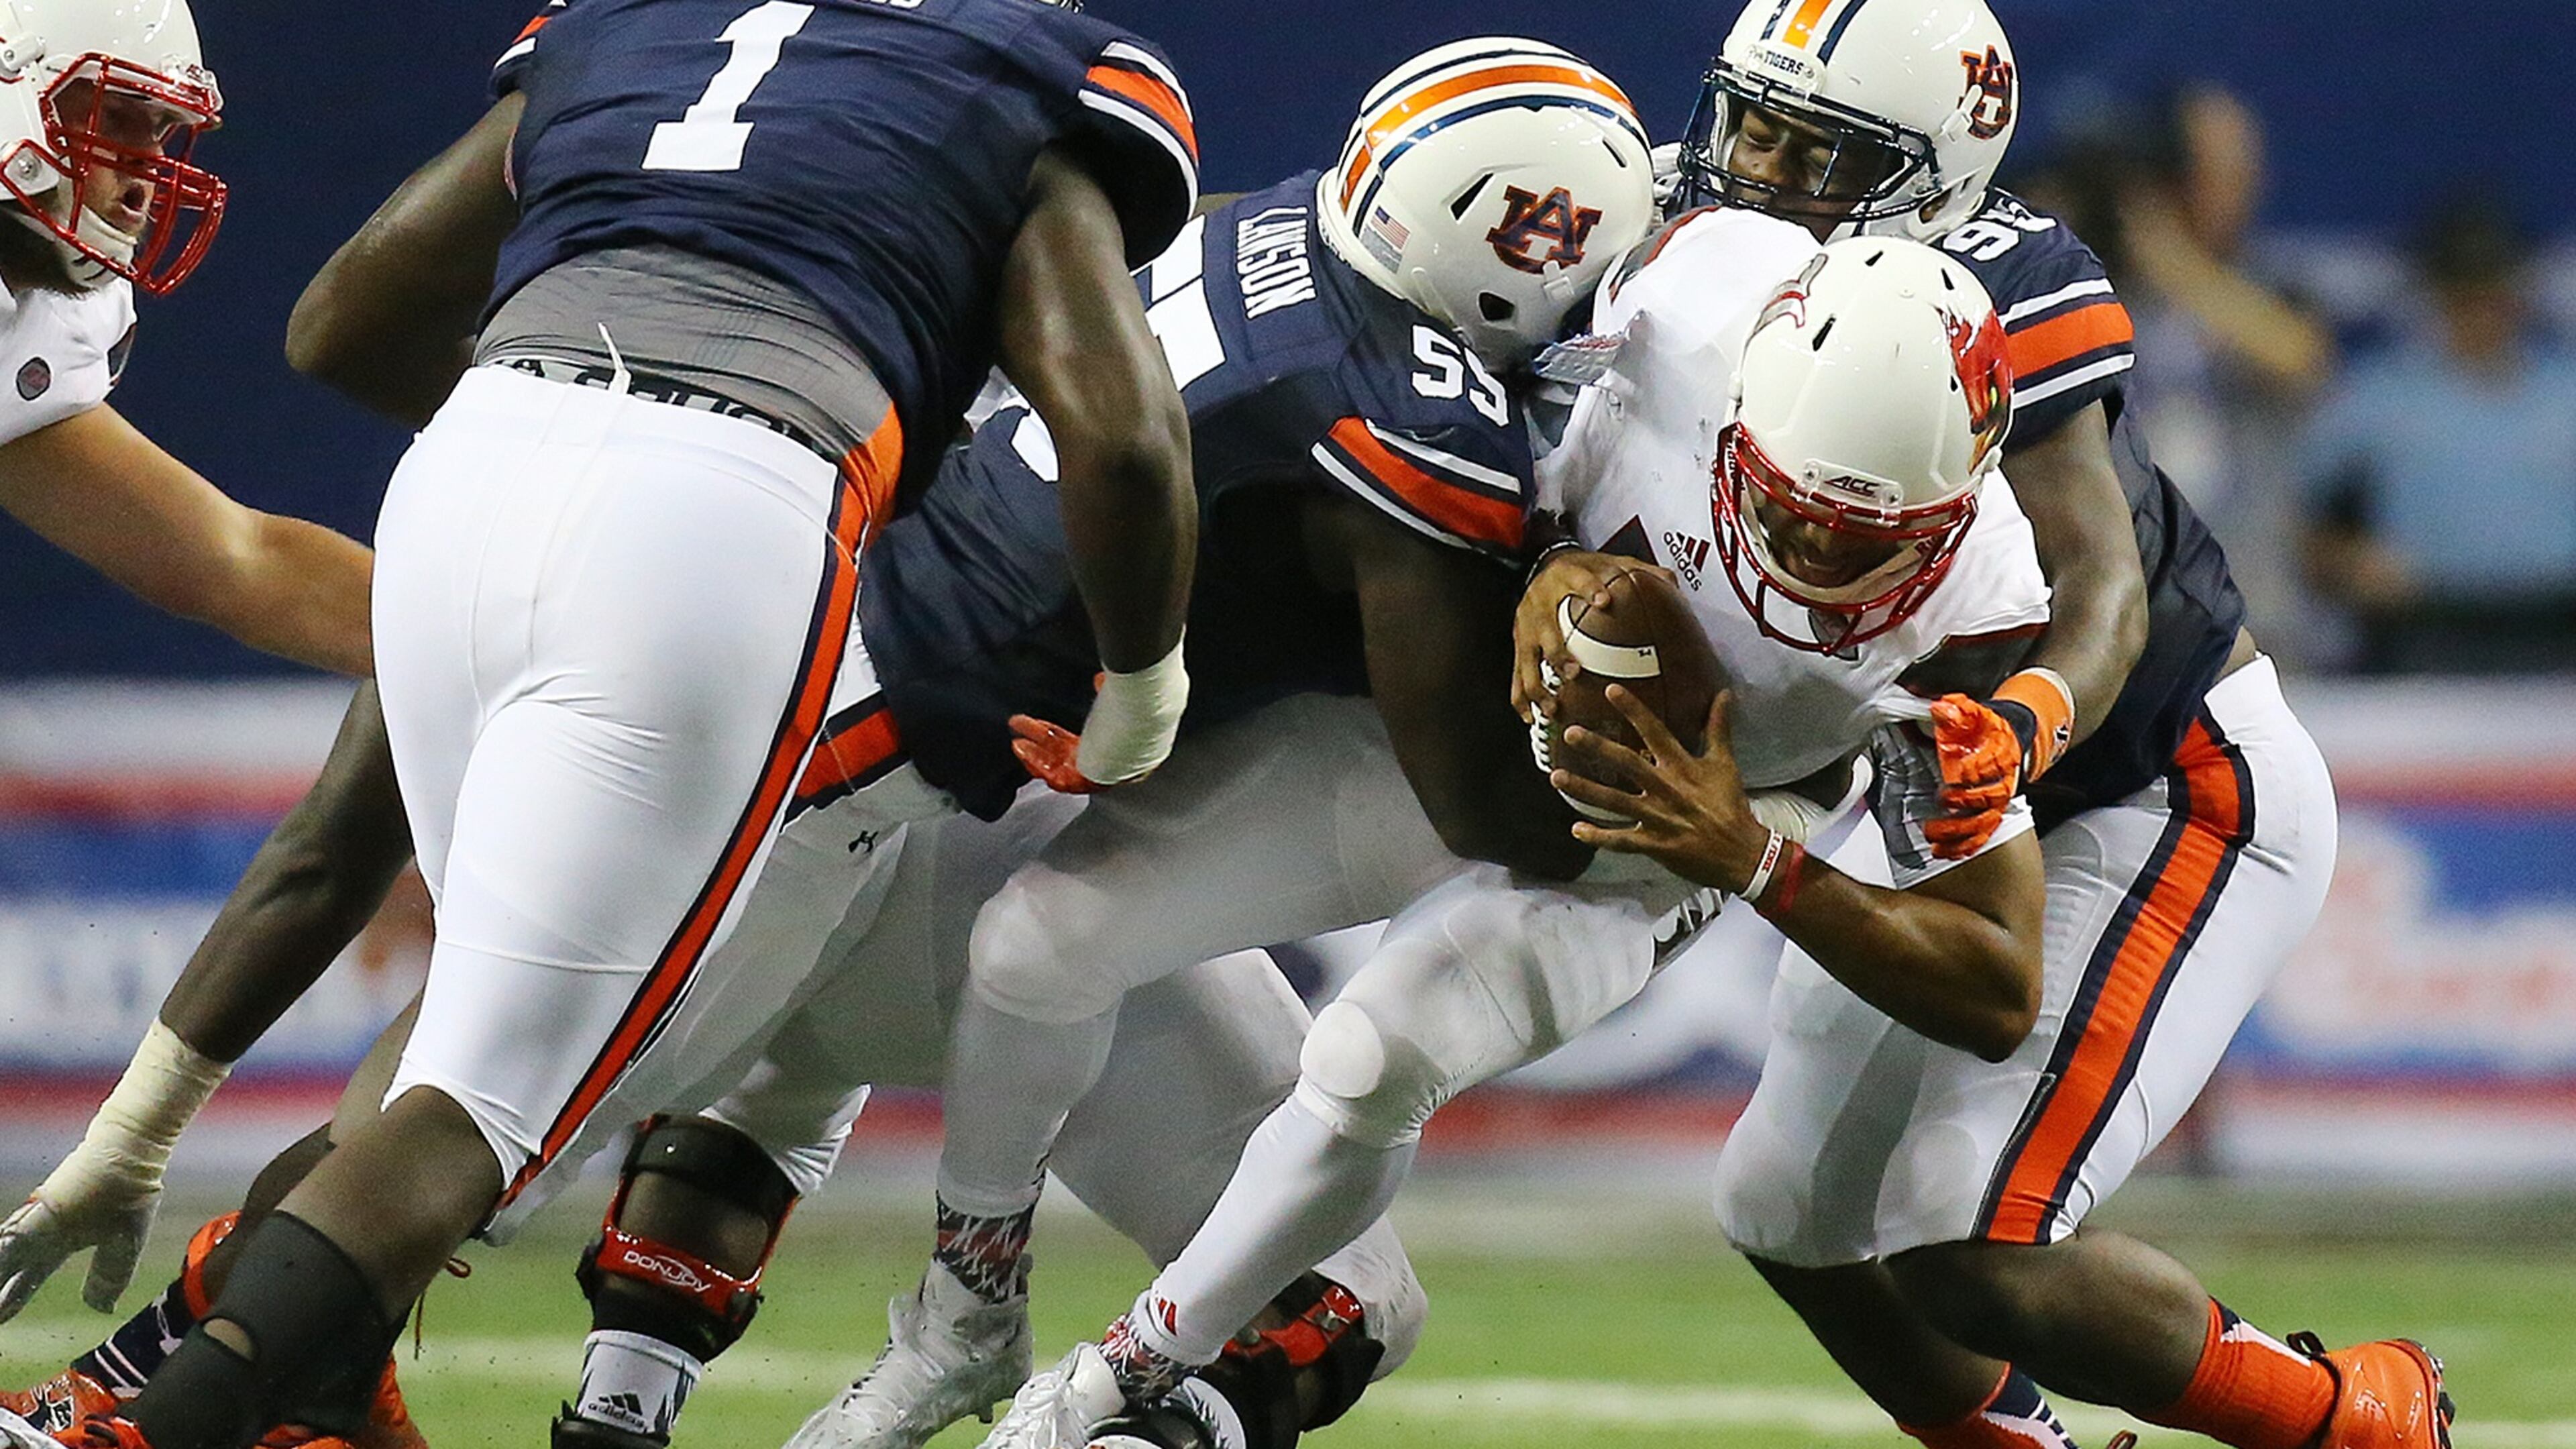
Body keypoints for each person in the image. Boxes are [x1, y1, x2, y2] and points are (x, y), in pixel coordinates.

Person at [29, 0, 1207, 1443]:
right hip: (734, 504)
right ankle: (142, 1420)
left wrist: (139, 1125)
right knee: (485, 1110)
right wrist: (1143, 694)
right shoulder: (1032, 74)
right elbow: (1125, 445)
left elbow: (343, 325)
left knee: (464, 1055)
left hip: (476, 460)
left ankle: (297, 1395)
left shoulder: (634, 24)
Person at [963, 228, 2053, 1449]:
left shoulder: (1979, 617)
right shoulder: (1684, 298)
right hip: (1461, 708)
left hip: (1674, 830)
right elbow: (1455, 377)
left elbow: (1996, 986)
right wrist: (1539, 557)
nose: (1815, 559)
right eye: (1792, 513)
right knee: (1043, 932)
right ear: (1740, 410)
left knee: (1375, 1054)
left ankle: (1117, 1379)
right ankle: (957, 1322)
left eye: (1868, 543)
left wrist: (1751, 855)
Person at [791, 36, 1657, 1449]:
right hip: (1364, 727)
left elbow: (1481, 787)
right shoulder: (1409, 404)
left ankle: (1102, 1372)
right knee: (1025, 960)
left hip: (1431, 748)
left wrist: (1706, 833)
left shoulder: (1286, 245)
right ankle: (964, 1324)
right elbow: (1479, 787)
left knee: (1348, 1084)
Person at [1636, 3, 2449, 1446]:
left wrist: (2018, 725)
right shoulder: (1681, 248)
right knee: (1784, 1208)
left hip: (2154, 779)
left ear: (1935, 174)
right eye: (1750, 122)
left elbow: (2099, 585)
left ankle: (2354, 1420)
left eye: (1815, 149)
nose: (1756, 168)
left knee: (1973, 1238)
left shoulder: (2004, 281)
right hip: (1931, 781)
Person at [0, 0, 371, 678]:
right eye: (115, 118)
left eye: (161, 132)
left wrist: (503, 647)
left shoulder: (24, 319)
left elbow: (242, 564)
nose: (144, 176)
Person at [2301, 195, 2576, 674]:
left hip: (2558, 629)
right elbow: (2312, 537)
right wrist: (2351, 564)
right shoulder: (2375, 399)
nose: (2481, 311)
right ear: (2434, 294)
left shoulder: (2565, 392)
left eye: (2493, 290)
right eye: (2463, 294)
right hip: (2425, 634)